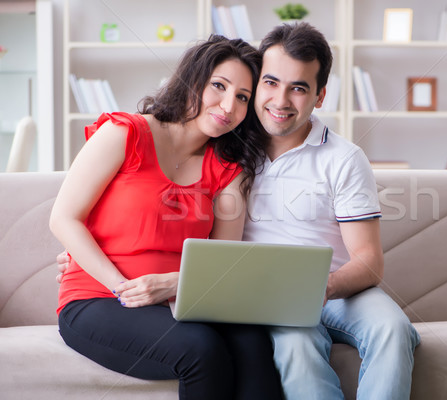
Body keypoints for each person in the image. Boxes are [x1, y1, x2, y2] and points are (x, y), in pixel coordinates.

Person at [50, 35, 282, 400]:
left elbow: (220, 263)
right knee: (200, 349)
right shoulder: (124, 133)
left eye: (242, 97)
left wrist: (173, 285)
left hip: (181, 300)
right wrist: (123, 289)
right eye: (218, 86)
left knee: (253, 341)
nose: (228, 105)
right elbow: (64, 218)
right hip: (99, 298)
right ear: (192, 81)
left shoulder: (228, 170)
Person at [242, 22, 421, 399]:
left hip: (339, 290)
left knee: (393, 328)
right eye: (271, 83)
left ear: (320, 96)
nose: (281, 100)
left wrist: (324, 287)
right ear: (256, 84)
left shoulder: (344, 158)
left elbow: (369, 260)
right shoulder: (230, 151)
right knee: (295, 345)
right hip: (270, 295)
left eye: (299, 88)